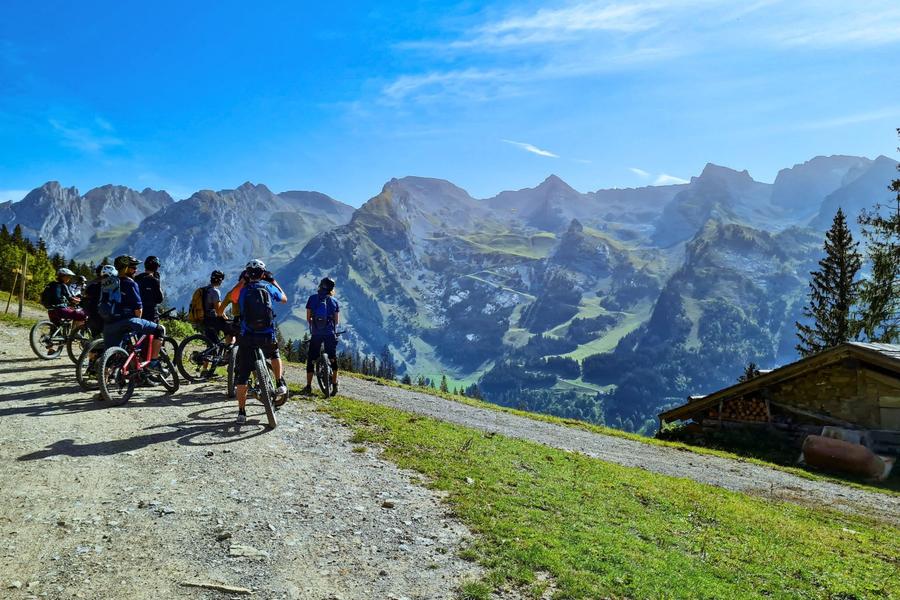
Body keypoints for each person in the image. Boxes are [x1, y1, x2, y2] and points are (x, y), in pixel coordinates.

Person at [233, 259, 288, 424]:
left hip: (247, 336)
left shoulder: (243, 290)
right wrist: (272, 280)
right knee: (274, 353)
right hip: (267, 334)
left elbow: (233, 297)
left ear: (248, 274)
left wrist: (243, 281)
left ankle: (242, 413)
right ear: (263, 274)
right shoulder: (269, 287)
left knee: (242, 375)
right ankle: (279, 383)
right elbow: (284, 298)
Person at [100, 255, 167, 373]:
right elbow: (138, 310)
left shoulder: (109, 282)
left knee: (111, 355)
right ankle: (154, 363)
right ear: (126, 268)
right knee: (159, 330)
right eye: (133, 267)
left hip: (109, 322)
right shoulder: (131, 283)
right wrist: (138, 323)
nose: (136, 270)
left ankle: (104, 381)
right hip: (127, 320)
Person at [303, 277, 340, 395]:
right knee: (333, 358)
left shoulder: (312, 298)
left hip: (316, 333)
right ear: (331, 289)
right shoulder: (334, 301)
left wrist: (316, 325)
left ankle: (308, 386)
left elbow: (308, 318)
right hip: (329, 333)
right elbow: (336, 321)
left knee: (311, 359)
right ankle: (334, 385)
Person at [202, 270, 238, 343]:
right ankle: (229, 351)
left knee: (211, 342)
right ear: (220, 280)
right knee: (232, 330)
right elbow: (219, 311)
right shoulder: (215, 291)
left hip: (204, 318)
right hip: (213, 319)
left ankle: (210, 352)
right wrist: (226, 318)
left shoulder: (204, 290)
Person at [135, 256, 164, 324]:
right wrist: (158, 283)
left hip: (138, 313)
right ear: (156, 268)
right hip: (151, 315)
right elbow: (160, 299)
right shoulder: (154, 280)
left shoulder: (137, 278)